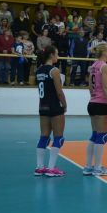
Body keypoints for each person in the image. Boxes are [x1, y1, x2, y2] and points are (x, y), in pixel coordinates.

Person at [84, 44, 107, 176]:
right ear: (104, 52)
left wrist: (94, 97)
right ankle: (97, 168)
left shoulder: (93, 66)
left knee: (95, 135)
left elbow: (90, 87)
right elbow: (106, 88)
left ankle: (88, 166)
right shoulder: (105, 67)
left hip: (92, 102)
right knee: (101, 136)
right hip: (101, 103)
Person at [35, 46, 67, 177]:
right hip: (54, 106)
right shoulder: (54, 70)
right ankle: (51, 168)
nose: (57, 56)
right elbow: (59, 92)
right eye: (57, 54)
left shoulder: (38, 70)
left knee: (44, 137)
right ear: (52, 55)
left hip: (43, 106)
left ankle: (39, 167)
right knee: (59, 138)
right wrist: (64, 104)